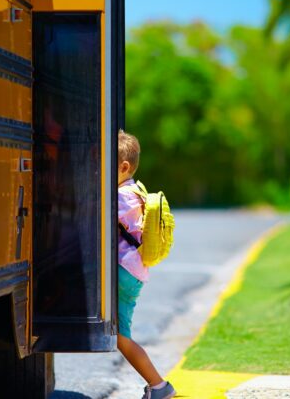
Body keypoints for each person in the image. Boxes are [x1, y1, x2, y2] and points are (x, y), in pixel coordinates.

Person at [117, 130, 176, 399]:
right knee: (120, 333)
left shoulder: (120, 198)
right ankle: (157, 386)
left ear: (123, 167)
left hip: (122, 271)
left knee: (121, 337)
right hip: (134, 272)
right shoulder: (135, 191)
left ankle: (159, 386)